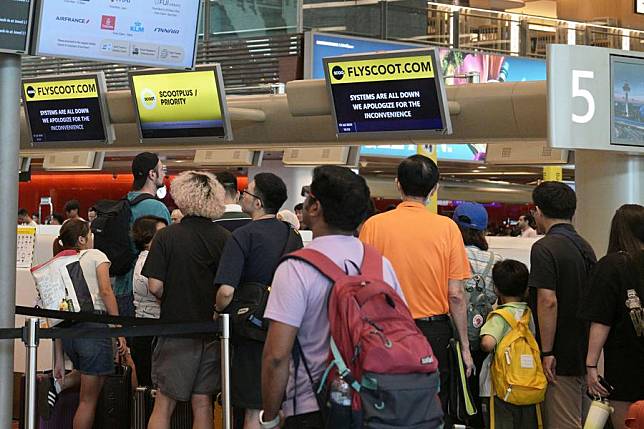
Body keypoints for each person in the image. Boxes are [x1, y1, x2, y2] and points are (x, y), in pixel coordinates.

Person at [261, 166, 407, 429]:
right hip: (374, 405)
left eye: (308, 197)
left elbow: (276, 356)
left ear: (315, 207)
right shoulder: (381, 265)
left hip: (312, 407)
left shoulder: (295, 268)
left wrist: (270, 417)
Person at [359, 154, 474, 418]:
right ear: (435, 189)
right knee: (433, 403)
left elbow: (363, 285)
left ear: (398, 184)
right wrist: (465, 347)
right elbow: (455, 295)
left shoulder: (374, 226)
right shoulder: (447, 228)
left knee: (386, 402)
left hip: (385, 329)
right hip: (433, 332)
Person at [214, 172, 303, 429]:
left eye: (247, 192)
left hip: (251, 329)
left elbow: (226, 291)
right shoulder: (292, 236)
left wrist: (217, 309)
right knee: (276, 407)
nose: (242, 195)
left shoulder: (243, 236)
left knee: (253, 408)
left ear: (258, 203)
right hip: (285, 326)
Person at [142, 171, 230, 429]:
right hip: (211, 331)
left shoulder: (167, 236)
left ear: (183, 196)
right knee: (202, 403)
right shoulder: (224, 237)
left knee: (164, 403)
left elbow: (155, 285)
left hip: (175, 329)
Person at [528, 181, 596, 428]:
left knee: (563, 421)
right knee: (584, 419)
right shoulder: (585, 247)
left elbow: (548, 301)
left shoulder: (544, 248)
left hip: (561, 352)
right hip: (585, 348)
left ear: (538, 211)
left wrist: (547, 352)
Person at [51, 219, 126, 429]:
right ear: (82, 239)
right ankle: (58, 385)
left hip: (69, 335)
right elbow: (106, 291)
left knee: (87, 377)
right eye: (90, 233)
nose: (93, 237)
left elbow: (56, 311)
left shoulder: (59, 262)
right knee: (88, 401)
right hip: (94, 329)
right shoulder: (96, 256)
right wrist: (118, 328)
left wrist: (58, 358)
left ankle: (58, 384)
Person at [579, 204, 644, 429]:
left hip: (625, 362)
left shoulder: (612, 265)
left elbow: (601, 319)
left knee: (626, 421)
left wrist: (591, 365)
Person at [453, 201, 503, 427]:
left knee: (453, 391)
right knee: (476, 391)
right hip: (483, 336)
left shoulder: (450, 255)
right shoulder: (496, 261)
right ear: (483, 230)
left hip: (452, 333)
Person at [479, 259, 540, 429]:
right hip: (527, 384)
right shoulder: (528, 314)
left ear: (496, 289)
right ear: (526, 289)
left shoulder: (500, 317)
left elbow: (488, 343)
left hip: (498, 389)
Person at [112, 152, 170, 318]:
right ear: (152, 174)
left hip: (121, 285)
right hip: (145, 292)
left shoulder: (124, 202)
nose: (164, 174)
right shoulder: (157, 208)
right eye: (162, 169)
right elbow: (167, 250)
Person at [129, 215, 168, 388]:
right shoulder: (152, 260)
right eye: (162, 233)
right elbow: (156, 289)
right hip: (153, 330)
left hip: (142, 327)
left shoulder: (141, 259)